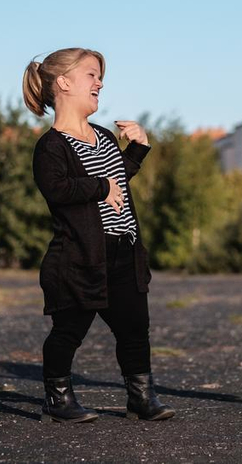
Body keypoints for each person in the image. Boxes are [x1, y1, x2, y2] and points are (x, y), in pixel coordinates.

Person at [23, 47, 174, 423]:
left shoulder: (104, 137)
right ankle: (58, 399)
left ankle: (141, 397)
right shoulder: (51, 146)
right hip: (80, 257)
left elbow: (116, 180)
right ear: (64, 82)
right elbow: (58, 189)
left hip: (123, 251)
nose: (99, 82)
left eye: (99, 76)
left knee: (136, 330)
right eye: (91, 75)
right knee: (69, 331)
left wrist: (138, 149)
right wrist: (99, 187)